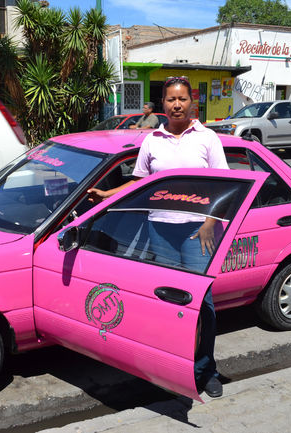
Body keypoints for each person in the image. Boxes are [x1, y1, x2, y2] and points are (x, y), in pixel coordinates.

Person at [88, 76, 227, 398]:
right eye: (170, 99)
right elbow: (139, 182)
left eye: (182, 99)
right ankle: (172, 368)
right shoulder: (152, 140)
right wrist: (107, 194)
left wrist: (210, 223)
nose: (177, 105)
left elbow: (224, 186)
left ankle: (206, 370)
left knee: (201, 305)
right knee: (166, 306)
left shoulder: (207, 139)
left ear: (192, 102)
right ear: (163, 103)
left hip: (197, 232)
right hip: (160, 229)